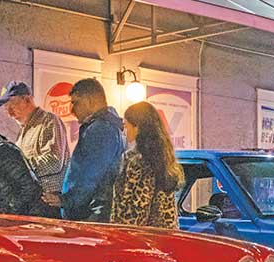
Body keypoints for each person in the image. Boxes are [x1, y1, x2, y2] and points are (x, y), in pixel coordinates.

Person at [0, 81, 70, 218]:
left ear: (27, 99)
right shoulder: (23, 131)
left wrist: (16, 167)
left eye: (13, 105)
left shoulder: (49, 121)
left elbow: (54, 161)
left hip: (47, 203)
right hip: (32, 203)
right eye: (6, 108)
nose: (10, 113)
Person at [110, 101, 184, 229]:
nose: (124, 131)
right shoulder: (162, 157)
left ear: (137, 127)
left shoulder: (139, 162)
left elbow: (134, 214)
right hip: (166, 238)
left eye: (126, 126)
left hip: (145, 241)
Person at [61, 78, 126, 221]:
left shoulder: (100, 129)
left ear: (90, 100)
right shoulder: (111, 127)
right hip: (95, 211)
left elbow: (90, 175)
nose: (72, 110)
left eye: (75, 102)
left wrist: (68, 201)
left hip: (88, 215)